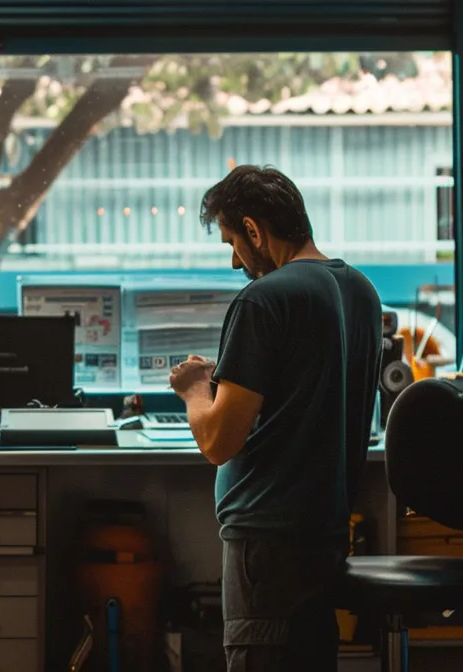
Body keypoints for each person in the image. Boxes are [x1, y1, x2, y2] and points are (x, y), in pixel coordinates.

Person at [169, 165, 383, 672]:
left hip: (266, 541)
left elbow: (219, 441)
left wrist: (195, 389)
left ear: (253, 230)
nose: (234, 261)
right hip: (324, 535)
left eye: (232, 243)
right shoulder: (362, 293)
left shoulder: (264, 300)